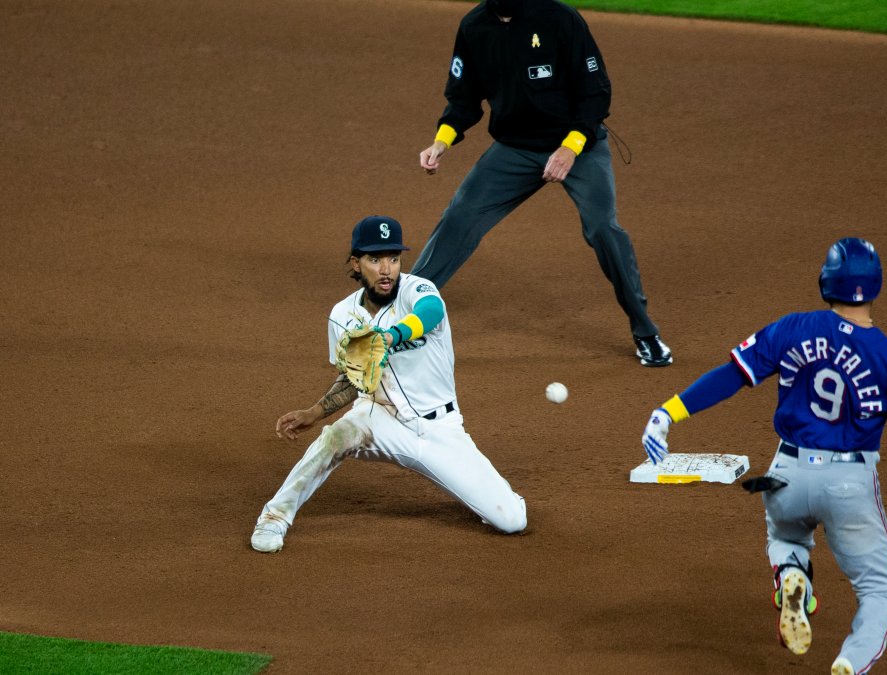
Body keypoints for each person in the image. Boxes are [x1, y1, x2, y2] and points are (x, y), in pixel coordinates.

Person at [639, 238, 887, 674]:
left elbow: (732, 375)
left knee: (786, 537)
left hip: (786, 475)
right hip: (849, 486)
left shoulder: (792, 328)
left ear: (825, 282)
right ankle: (850, 662)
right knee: (881, 594)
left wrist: (668, 413)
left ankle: (792, 574)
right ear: (876, 287)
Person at [415, 0, 671, 367]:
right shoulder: (474, 27)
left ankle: (646, 333)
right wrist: (441, 141)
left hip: (578, 145)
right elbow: (463, 99)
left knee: (603, 228)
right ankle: (400, 311)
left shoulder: (559, 18)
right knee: (460, 216)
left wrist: (570, 148)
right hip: (514, 149)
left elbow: (595, 92)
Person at [250, 215, 527, 553]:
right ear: (356, 262)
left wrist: (392, 335)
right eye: (375, 259)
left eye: (393, 258)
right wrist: (316, 412)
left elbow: (430, 312)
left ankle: (489, 492)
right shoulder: (341, 315)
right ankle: (274, 517)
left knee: (512, 521)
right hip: (379, 418)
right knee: (334, 437)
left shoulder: (418, 290)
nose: (386, 269)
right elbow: (354, 376)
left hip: (441, 429)